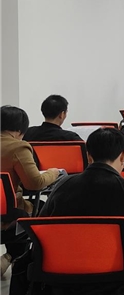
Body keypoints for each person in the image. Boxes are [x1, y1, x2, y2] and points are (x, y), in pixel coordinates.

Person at [39, 128, 124, 295]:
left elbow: (43, 225)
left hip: (63, 277)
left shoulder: (63, 185)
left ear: (89, 156)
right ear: (123, 156)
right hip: (120, 277)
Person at [1, 106, 60, 278]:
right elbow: (35, 183)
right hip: (6, 215)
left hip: (5, 212)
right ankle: (19, 261)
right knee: (42, 209)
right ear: (20, 130)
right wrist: (54, 172)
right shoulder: (18, 147)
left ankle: (9, 257)